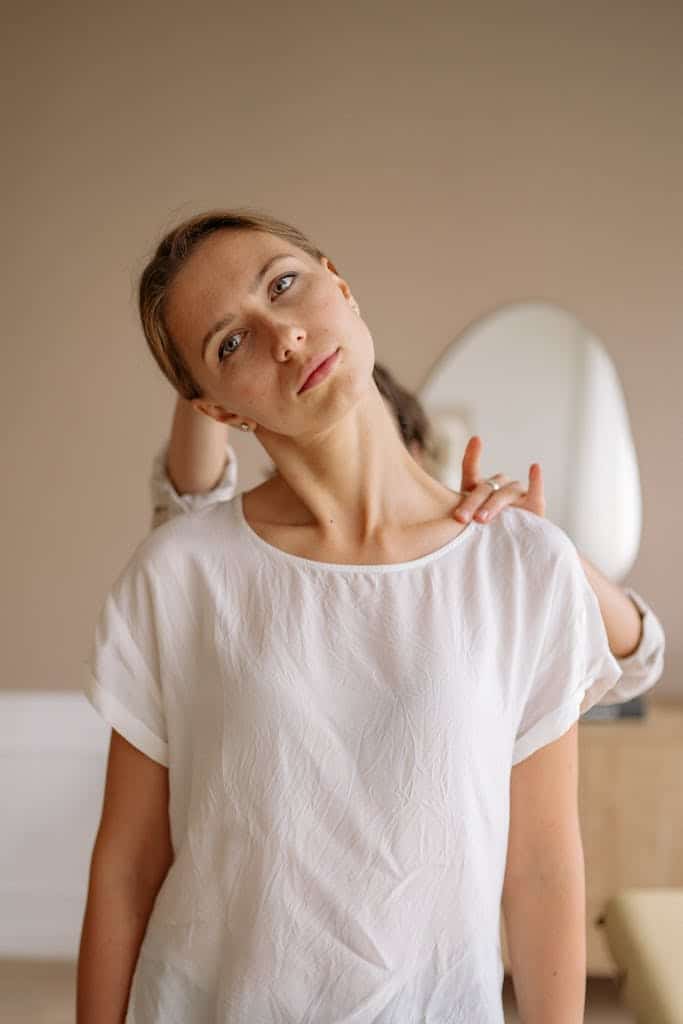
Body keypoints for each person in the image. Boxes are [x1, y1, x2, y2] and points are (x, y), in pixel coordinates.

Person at [77, 210, 659, 1023]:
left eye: (284, 285)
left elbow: (539, 869)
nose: (283, 336)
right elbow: (127, 868)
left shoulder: (521, 564)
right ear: (219, 412)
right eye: (230, 344)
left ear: (341, 288)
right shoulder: (181, 574)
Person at [151, 379, 664, 707]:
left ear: (414, 449)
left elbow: (634, 664)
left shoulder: (483, 562)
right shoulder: (225, 561)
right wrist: (203, 367)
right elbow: (188, 510)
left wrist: (540, 550)